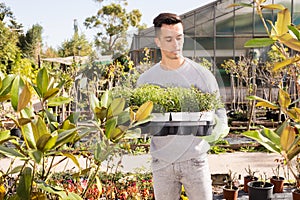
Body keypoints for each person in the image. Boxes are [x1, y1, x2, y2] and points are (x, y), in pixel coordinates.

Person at [136, 13, 229, 200]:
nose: (175, 44)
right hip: (162, 163)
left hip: (195, 161)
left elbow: (220, 113)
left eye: (179, 38)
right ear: (158, 41)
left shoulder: (202, 75)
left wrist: (215, 131)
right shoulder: (146, 80)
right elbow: (138, 117)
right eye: (168, 39)